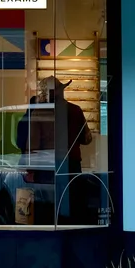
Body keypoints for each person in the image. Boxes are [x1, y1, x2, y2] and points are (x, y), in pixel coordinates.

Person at [16, 76, 95, 223]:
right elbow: (87, 139)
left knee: (48, 211)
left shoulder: (40, 112)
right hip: (72, 166)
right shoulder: (76, 110)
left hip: (47, 168)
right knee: (73, 208)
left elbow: (32, 146)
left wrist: (30, 170)